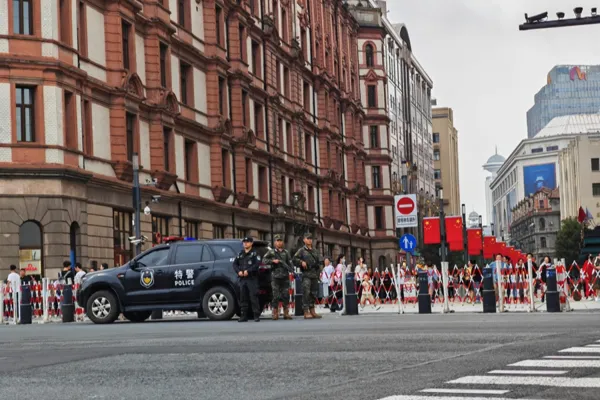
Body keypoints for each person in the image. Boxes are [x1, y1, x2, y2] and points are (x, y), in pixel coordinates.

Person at [262, 234, 294, 320]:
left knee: (285, 295)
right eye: (278, 241)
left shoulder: (286, 252)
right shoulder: (271, 252)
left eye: (280, 241)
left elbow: (290, 263)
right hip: (275, 277)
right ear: (275, 242)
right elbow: (264, 260)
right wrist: (273, 261)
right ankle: (275, 312)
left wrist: (291, 270)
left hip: (285, 277)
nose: (279, 242)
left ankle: (286, 312)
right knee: (275, 295)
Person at [293, 232, 323, 319]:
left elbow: (319, 262)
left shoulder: (315, 250)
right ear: (304, 240)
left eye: (310, 239)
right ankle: (306, 311)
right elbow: (294, 259)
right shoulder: (301, 250)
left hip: (314, 274)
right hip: (306, 274)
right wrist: (301, 262)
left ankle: (312, 309)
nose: (309, 240)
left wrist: (319, 272)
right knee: (306, 292)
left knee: (314, 293)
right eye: (307, 238)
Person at [233, 237, 262, 322]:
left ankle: (256, 315)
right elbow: (234, 264)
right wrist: (238, 271)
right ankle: (243, 315)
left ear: (251, 243)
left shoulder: (254, 254)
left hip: (252, 278)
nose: (245, 243)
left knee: (253, 297)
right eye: (244, 242)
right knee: (243, 298)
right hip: (242, 279)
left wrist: (248, 271)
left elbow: (257, 265)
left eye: (247, 242)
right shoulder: (240, 254)